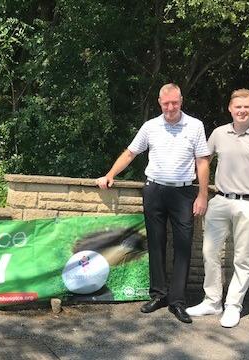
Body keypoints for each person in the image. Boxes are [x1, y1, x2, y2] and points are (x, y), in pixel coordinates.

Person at [96, 83, 210, 323]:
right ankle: (159, 295)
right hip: (154, 190)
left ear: (181, 101)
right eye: (166, 103)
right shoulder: (150, 126)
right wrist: (110, 174)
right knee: (156, 244)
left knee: (183, 246)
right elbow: (130, 153)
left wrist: (202, 195)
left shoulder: (195, 126)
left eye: (175, 103)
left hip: (183, 193)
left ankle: (178, 301)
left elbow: (202, 162)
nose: (170, 107)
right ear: (160, 102)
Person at [186, 89, 249, 328]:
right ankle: (212, 301)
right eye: (238, 107)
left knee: (242, 258)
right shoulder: (219, 133)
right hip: (220, 200)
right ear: (230, 108)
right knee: (209, 252)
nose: (242, 111)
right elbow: (203, 162)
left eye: (247, 107)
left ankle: (233, 306)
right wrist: (203, 193)